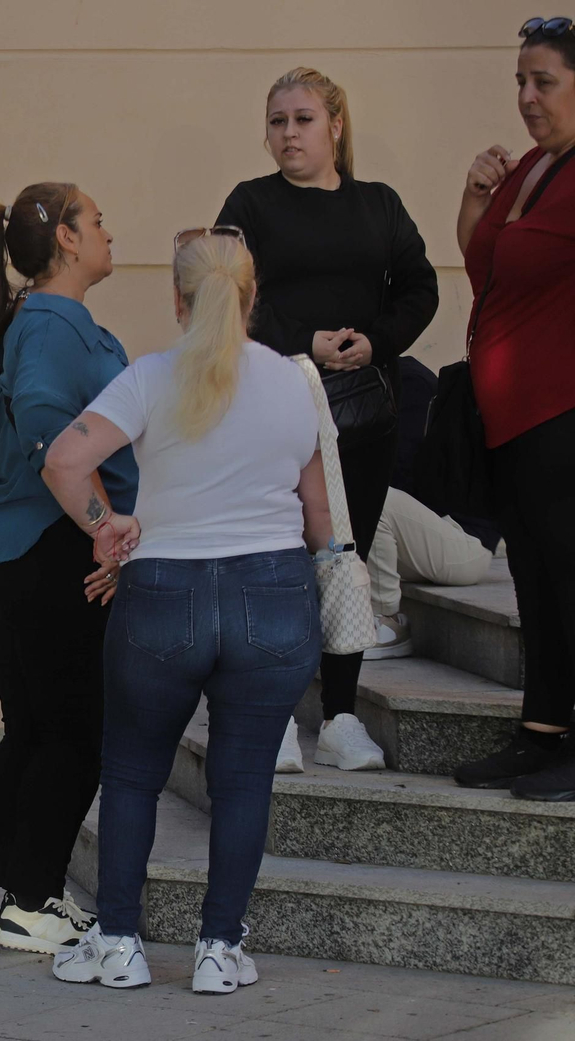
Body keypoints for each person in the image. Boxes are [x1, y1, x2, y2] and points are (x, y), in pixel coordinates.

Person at [44, 229, 329, 995]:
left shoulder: (149, 378)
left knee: (133, 774)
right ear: (251, 296)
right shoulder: (297, 383)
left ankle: (119, 943)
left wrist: (106, 528)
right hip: (272, 592)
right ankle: (218, 949)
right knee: (243, 782)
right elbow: (318, 514)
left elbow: (64, 461)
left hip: (163, 594)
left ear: (178, 299)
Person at [217, 67, 439, 773]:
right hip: (276, 405)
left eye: (303, 119)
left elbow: (420, 286)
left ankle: (341, 716)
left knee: (346, 559)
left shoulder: (378, 204)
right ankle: (278, 715)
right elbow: (226, 291)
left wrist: (375, 338)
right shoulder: (249, 203)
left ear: (336, 126)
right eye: (278, 120)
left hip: (362, 416)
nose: (288, 133)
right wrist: (304, 341)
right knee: (280, 563)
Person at [0, 183, 135, 955]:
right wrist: (103, 529)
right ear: (67, 239)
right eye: (95, 221)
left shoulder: (41, 322)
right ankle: (29, 898)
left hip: (19, 552)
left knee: (35, 730)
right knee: (76, 731)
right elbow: (41, 424)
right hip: (52, 552)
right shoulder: (53, 326)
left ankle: (26, 897)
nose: (106, 231)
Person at [451, 17, 575, 799]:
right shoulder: (530, 165)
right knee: (533, 573)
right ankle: (541, 727)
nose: (527, 97)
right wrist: (474, 194)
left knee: (569, 575)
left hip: (562, 413)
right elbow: (481, 258)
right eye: (520, 81)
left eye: (545, 82)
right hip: (512, 422)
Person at [364, 358, 499, 661]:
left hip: (462, 541)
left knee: (374, 498)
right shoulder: (370, 380)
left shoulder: (410, 384)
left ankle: (387, 620)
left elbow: (404, 475)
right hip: (422, 539)